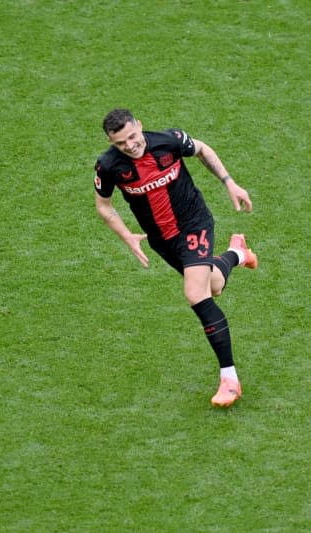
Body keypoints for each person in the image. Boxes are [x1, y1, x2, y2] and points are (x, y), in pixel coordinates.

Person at [93, 108, 257, 407]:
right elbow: (103, 206)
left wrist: (229, 182)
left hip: (194, 223)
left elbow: (202, 149)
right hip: (162, 239)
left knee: (196, 293)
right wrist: (126, 235)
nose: (130, 145)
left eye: (132, 136)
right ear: (110, 141)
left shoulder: (168, 141)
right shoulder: (108, 166)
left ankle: (229, 379)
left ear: (139, 126)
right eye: (120, 143)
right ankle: (237, 253)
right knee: (214, 287)